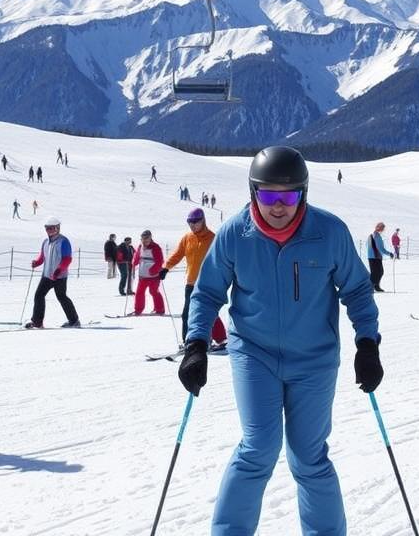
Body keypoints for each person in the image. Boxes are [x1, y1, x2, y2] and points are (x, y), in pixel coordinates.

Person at [178, 146, 381, 536]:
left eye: (288, 196)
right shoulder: (236, 234)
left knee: (309, 456)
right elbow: (206, 293)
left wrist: (367, 343)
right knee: (258, 449)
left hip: (315, 359)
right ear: (253, 192)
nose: (278, 206)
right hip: (255, 355)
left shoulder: (329, 232)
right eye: (268, 194)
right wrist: (196, 345)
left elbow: (357, 290)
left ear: (303, 194)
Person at [163, 207, 227, 347]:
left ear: (203, 220)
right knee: (187, 313)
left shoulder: (212, 238)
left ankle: (220, 338)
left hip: (208, 283)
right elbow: (178, 254)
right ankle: (188, 341)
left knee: (208, 312)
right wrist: (165, 267)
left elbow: (221, 259)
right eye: (189, 222)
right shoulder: (187, 238)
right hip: (191, 282)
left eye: (195, 221)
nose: (192, 225)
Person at [27, 218, 80, 328]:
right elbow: (42, 257)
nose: (49, 230)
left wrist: (59, 270)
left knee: (61, 297)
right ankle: (37, 322)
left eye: (51, 228)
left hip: (59, 276)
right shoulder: (46, 242)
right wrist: (36, 262)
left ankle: (74, 321)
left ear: (57, 228)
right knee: (38, 296)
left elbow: (67, 259)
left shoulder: (63, 241)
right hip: (47, 275)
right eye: (47, 228)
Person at [132, 229, 165, 315]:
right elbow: (137, 256)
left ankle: (160, 309)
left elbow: (160, 261)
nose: (145, 240)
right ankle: (138, 310)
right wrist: (134, 263)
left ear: (150, 238)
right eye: (143, 238)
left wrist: (153, 270)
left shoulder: (156, 247)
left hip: (154, 276)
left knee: (153, 291)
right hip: (143, 275)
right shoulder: (140, 247)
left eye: (147, 238)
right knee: (139, 292)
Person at [365, 222, 394, 292]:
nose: (383, 230)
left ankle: (375, 286)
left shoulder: (371, 235)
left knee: (376, 272)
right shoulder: (377, 236)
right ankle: (371, 287)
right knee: (378, 272)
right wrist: (389, 253)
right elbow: (380, 248)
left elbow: (366, 245)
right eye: (383, 228)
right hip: (375, 256)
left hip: (371, 256)